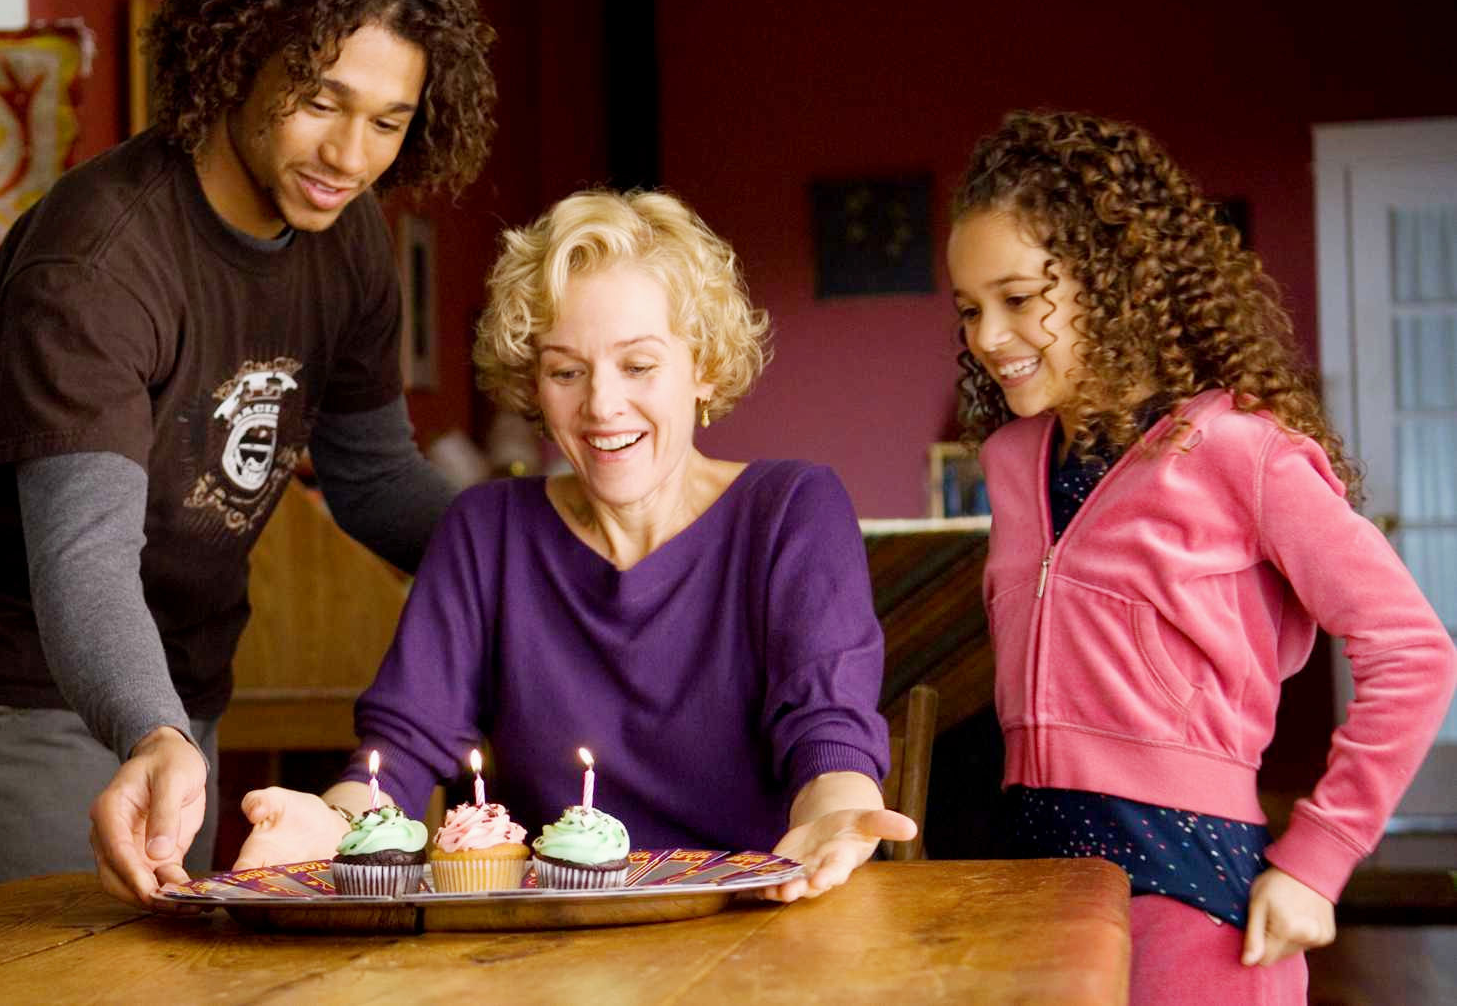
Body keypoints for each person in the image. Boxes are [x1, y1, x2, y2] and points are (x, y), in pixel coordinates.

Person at [0, 0, 497, 908]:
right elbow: (84, 551)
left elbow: (374, 475)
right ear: (236, 59)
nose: (350, 155)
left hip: (175, 682)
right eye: (318, 100)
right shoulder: (100, 256)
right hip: (8, 691)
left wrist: (541, 553)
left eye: (387, 121)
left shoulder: (350, 236)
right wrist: (152, 727)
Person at [231, 189, 916, 900]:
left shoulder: (791, 511)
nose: (601, 404)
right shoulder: (486, 530)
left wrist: (836, 812)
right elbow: (399, 750)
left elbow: (825, 727)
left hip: (758, 918)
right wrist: (327, 822)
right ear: (533, 383)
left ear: (703, 365)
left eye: (639, 365)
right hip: (555, 949)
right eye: (565, 370)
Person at [947, 110, 1457, 1003]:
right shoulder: (1007, 462)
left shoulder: (1241, 451)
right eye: (969, 308)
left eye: (1020, 298)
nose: (989, 336)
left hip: (1193, 894)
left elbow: (1413, 651)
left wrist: (1320, 855)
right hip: (1034, 881)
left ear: (1115, 281)